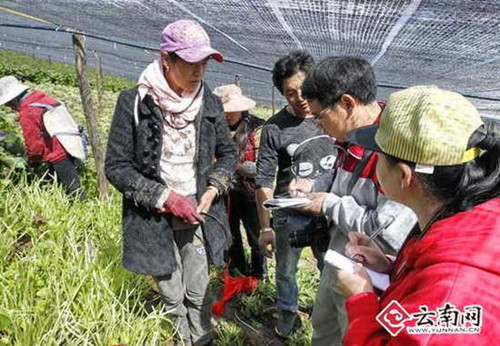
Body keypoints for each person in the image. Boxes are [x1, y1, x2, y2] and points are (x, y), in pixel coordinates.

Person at [105, 19, 236, 346]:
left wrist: (213, 187)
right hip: (154, 217)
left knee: (199, 289)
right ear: (167, 59)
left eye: (203, 64)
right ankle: (180, 339)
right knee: (171, 293)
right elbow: (117, 167)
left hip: (196, 213)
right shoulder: (134, 103)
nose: (199, 72)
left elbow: (229, 154)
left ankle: (203, 339)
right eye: (191, 63)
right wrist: (163, 196)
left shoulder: (210, 102)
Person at [339, 85, 500, 344]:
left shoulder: (453, 291)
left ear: (404, 175)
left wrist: (360, 301)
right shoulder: (464, 218)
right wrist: (392, 269)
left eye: (378, 156)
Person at [290, 56, 416, 345]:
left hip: (371, 273)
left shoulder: (394, 147)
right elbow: (340, 179)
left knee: (355, 334)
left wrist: (329, 204)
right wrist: (314, 185)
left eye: (320, 116)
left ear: (347, 104)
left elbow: (386, 233)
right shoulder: (351, 138)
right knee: (325, 327)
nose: (319, 126)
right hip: (340, 256)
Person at [255, 50, 338, 337]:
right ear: (282, 94)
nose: (299, 98)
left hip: (328, 211)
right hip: (289, 215)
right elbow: (264, 179)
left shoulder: (332, 117)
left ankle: (329, 322)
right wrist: (265, 227)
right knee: (286, 271)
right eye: (290, 93)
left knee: (330, 269)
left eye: (303, 89)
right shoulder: (274, 128)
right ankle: (287, 317)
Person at [0, 76, 86, 200]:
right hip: (70, 143)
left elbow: (34, 144)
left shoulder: (28, 111)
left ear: (13, 100)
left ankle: (82, 211)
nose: (9, 107)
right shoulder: (40, 97)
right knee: (59, 185)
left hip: (57, 152)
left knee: (74, 190)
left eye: (8, 104)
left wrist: (33, 162)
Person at [213, 84, 267, 279]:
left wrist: (229, 166)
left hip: (250, 191)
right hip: (224, 191)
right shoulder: (216, 128)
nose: (229, 115)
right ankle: (238, 270)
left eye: (232, 111)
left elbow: (259, 166)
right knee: (230, 233)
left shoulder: (257, 127)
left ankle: (259, 274)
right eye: (225, 111)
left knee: (255, 234)